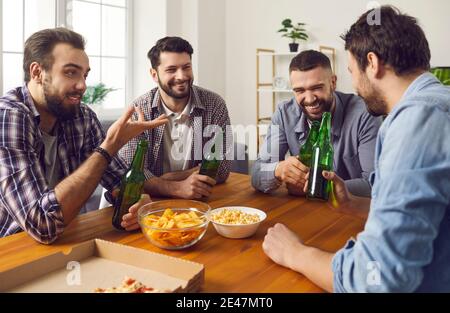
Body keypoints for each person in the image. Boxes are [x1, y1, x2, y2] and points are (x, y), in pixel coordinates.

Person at [262, 6, 450, 292]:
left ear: (371, 63)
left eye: (351, 71)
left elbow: (378, 279)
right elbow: (418, 207)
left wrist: (296, 253)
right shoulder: (436, 102)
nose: (356, 86)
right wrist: (353, 203)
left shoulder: (416, 121)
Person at [0, 28, 168, 244]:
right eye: (70, 72)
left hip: (68, 240)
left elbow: (119, 182)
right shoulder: (9, 117)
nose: (82, 85)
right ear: (37, 73)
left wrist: (138, 203)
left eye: (84, 74)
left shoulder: (82, 116)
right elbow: (43, 225)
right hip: (12, 249)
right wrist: (108, 147)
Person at [251, 50, 382, 197]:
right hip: (304, 210)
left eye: (316, 88)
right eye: (299, 90)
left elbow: (376, 183)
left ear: (333, 82)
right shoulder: (284, 114)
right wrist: (278, 170)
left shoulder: (365, 113)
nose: (309, 99)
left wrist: (317, 186)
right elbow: (256, 173)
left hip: (351, 212)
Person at [118, 36, 232, 200]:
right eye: (171, 70)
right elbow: (130, 170)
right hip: (149, 202)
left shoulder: (214, 104)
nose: (181, 76)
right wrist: (177, 187)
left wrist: (169, 178)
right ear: (154, 74)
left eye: (186, 67)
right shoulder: (139, 109)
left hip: (198, 198)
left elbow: (222, 168)